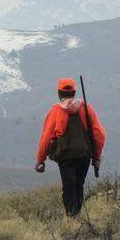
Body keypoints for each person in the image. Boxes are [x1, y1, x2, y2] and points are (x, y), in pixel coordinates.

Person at [35, 77, 106, 216]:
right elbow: (99, 135)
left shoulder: (55, 111)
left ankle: (71, 218)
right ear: (74, 92)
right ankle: (78, 217)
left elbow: (46, 136)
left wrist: (40, 159)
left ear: (59, 93)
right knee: (79, 186)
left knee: (69, 187)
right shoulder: (86, 109)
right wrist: (97, 157)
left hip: (65, 156)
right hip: (84, 154)